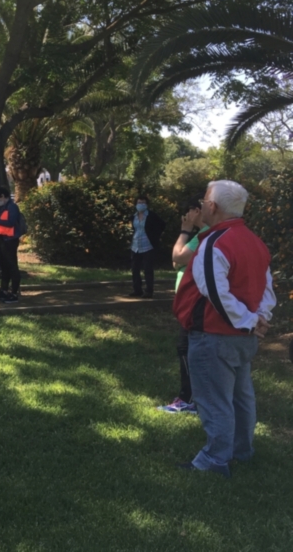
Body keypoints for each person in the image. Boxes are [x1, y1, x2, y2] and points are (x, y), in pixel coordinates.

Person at [174, 180, 275, 477]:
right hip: (243, 337)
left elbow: (215, 293)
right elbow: (266, 287)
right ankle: (241, 449)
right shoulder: (254, 241)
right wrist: (259, 318)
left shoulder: (214, 243)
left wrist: (249, 321)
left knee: (214, 399)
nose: (202, 206)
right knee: (241, 397)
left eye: (204, 201)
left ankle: (215, 459)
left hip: (214, 335)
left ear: (213, 206)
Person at [157, 195, 209, 414]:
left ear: (197, 211)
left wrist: (185, 231)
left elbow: (177, 257)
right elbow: (176, 260)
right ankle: (193, 398)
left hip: (194, 303)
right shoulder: (201, 235)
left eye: (189, 211)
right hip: (188, 302)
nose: (185, 216)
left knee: (186, 348)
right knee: (186, 348)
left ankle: (189, 399)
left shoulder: (204, 235)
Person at [0, 186, 24, 303]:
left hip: (10, 241)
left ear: (2, 196)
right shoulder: (2, 208)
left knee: (12, 267)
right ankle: (4, 291)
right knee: (4, 267)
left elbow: (10, 222)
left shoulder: (12, 207)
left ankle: (14, 294)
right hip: (1, 240)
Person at [128, 194, 165, 298]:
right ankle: (137, 290)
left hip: (148, 246)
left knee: (148, 269)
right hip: (135, 245)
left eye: (143, 202)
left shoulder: (151, 216)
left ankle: (149, 291)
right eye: (139, 202)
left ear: (147, 204)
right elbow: (135, 229)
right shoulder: (134, 216)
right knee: (135, 269)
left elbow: (162, 225)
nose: (141, 204)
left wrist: (154, 236)